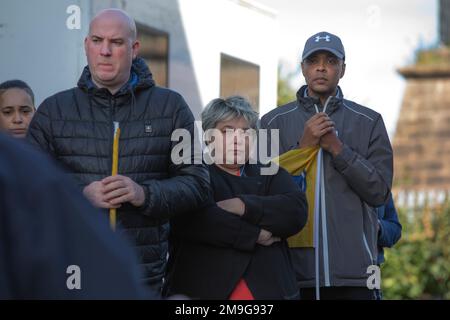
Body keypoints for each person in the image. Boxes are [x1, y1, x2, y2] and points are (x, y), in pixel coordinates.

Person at [26, 9, 210, 295]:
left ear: (134, 48)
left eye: (116, 42)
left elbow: (198, 184)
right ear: (86, 44)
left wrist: (144, 194)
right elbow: (26, 191)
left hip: (142, 276)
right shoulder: (53, 111)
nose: (105, 51)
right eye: (97, 40)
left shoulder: (171, 107)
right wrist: (80, 196)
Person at [261, 32, 393, 300]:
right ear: (303, 68)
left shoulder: (370, 121)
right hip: (293, 272)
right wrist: (303, 148)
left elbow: (380, 191)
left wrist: (338, 149)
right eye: (313, 61)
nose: (321, 67)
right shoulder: (272, 122)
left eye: (331, 60)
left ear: (343, 69)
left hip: (357, 274)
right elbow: (261, 190)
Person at [165, 96, 308, 300]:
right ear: (208, 136)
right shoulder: (192, 174)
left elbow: (296, 211)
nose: (238, 139)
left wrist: (243, 206)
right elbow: (195, 220)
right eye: (227, 131)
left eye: (245, 132)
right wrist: (255, 234)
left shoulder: (270, 173)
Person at [0, 133, 156, 299]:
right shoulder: (14, 163)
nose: (17, 119)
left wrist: (145, 194)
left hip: (146, 267)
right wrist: (82, 194)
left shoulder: (14, 163)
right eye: (7, 112)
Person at [375, 192, 402, 299]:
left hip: (371, 270)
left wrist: (378, 226)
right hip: (333, 275)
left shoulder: (379, 184)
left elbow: (396, 230)